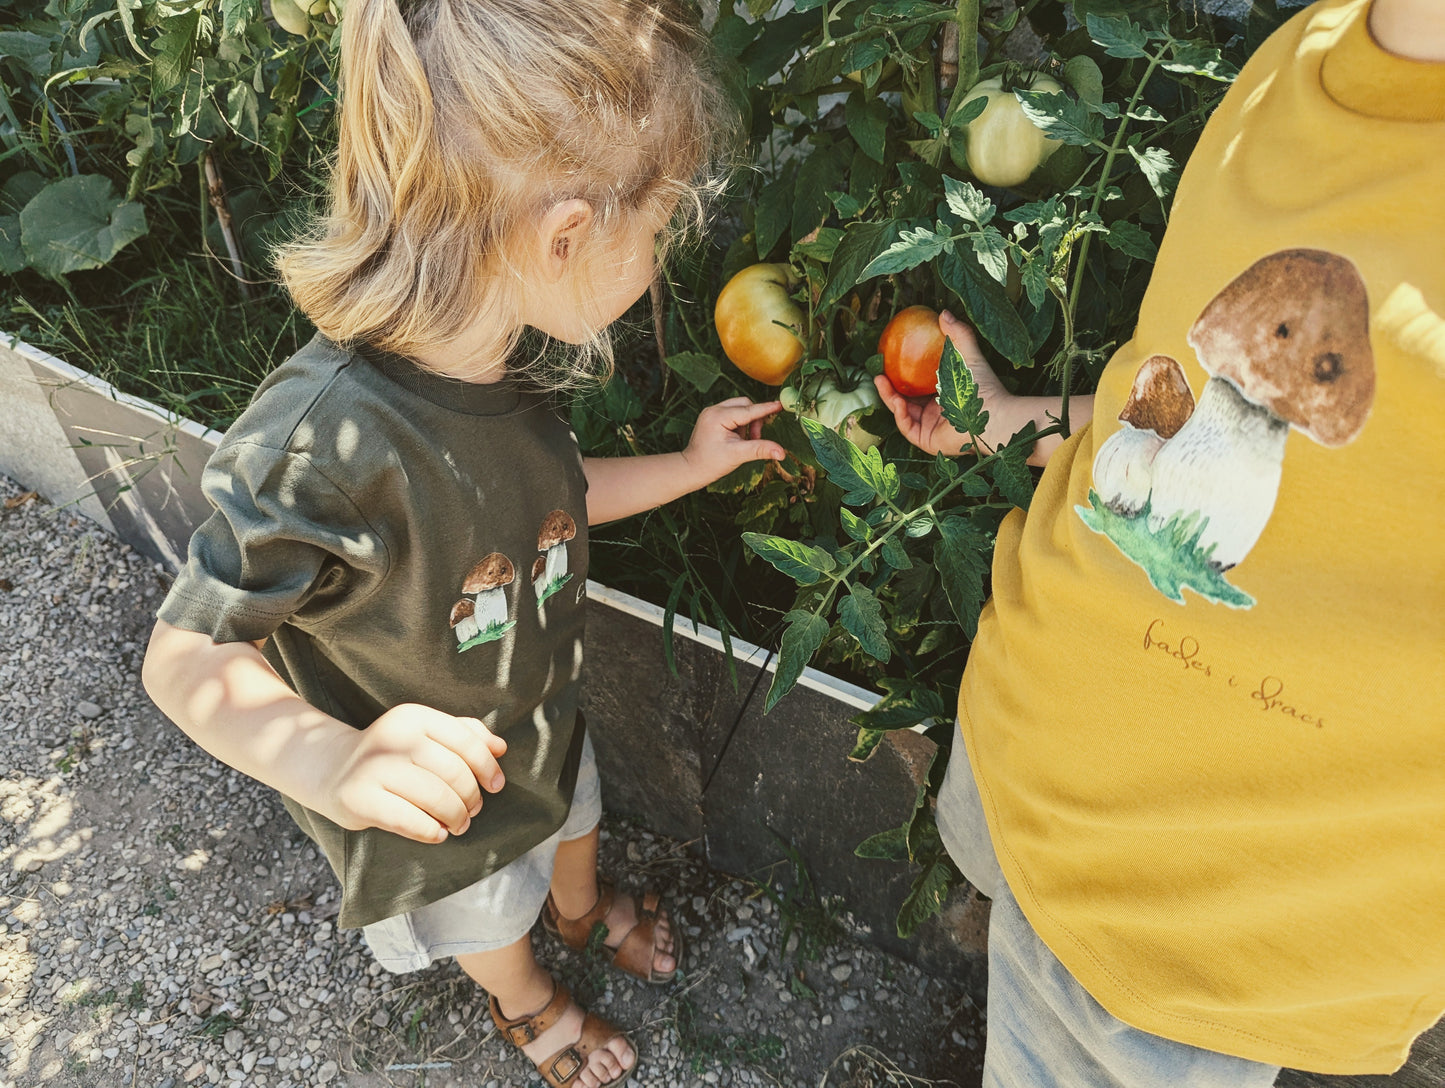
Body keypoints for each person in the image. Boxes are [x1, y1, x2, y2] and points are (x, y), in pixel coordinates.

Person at [140, 2, 786, 1086]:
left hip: (534, 709)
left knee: (573, 813)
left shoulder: (502, 360)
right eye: (662, 222)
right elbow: (184, 655)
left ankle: (580, 911)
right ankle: (530, 1001)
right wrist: (332, 758)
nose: (664, 248)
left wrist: (682, 467)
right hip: (439, 800)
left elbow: (548, 501)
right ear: (564, 235)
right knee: (490, 911)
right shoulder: (323, 442)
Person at [874, 0, 1444, 1084]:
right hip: (1040, 753)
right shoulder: (1303, 57)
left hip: (1222, 935)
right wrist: (1018, 418)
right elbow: (1179, 394)